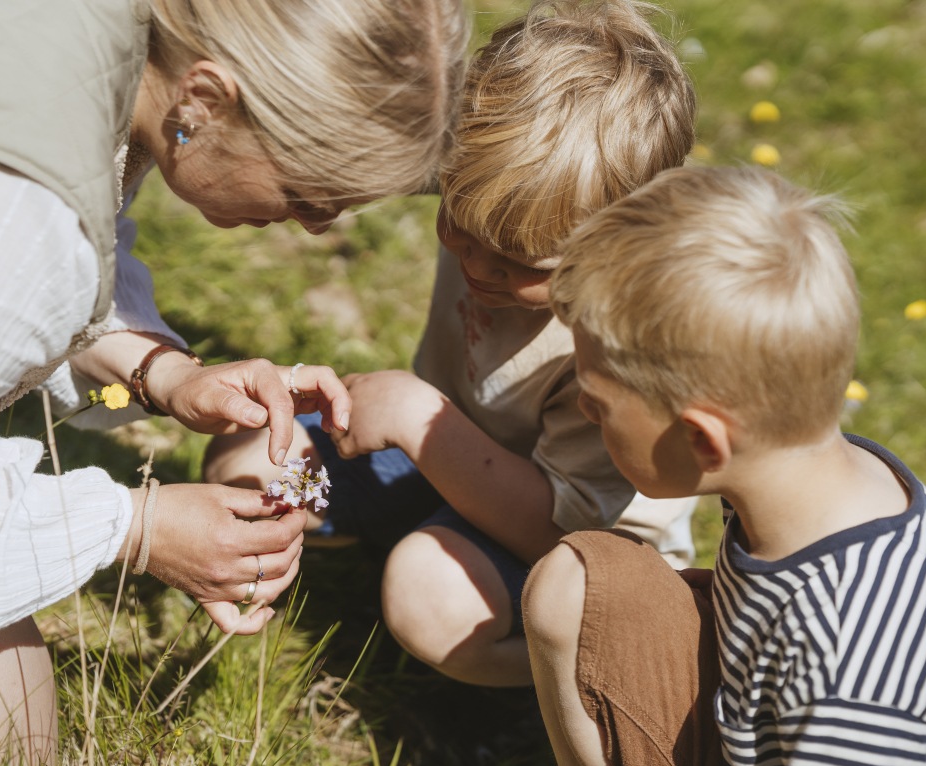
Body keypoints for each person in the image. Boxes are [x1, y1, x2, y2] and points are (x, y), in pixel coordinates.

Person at [0, 0, 468, 766]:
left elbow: (71, 246)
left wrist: (162, 372)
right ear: (203, 99)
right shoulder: (9, 215)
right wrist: (136, 528)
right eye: (309, 191)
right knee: (2, 763)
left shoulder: (98, 52)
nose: (311, 225)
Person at [203, 0, 698, 688]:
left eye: (527, 265)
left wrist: (416, 420)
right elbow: (368, 148)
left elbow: (558, 532)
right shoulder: (504, 192)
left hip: (564, 546)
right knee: (251, 451)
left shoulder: (616, 351)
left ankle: (605, 671)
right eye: (459, 223)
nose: (482, 266)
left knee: (427, 593)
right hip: (442, 464)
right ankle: (283, 555)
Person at [524, 165, 926, 766]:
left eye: (598, 405)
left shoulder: (851, 674)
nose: (583, 413)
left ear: (702, 441)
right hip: (774, 740)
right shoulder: (821, 482)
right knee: (576, 588)